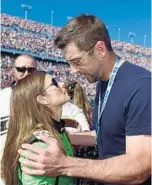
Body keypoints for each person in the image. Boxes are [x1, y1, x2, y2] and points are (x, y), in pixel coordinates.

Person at [18, 14, 151, 185]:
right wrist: (61, 137)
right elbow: (109, 134)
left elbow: (140, 166)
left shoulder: (140, 86)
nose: (73, 70)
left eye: (77, 61)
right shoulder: (102, 81)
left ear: (100, 49)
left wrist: (64, 165)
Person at [1, 71, 77, 185]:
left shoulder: (56, 130)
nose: (62, 84)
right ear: (43, 100)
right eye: (54, 83)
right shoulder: (40, 144)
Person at [0, 54, 37, 185]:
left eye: (31, 70)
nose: (26, 73)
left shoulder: (46, 99)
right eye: (22, 69)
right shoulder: (2, 97)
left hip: (32, 170)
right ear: (13, 71)